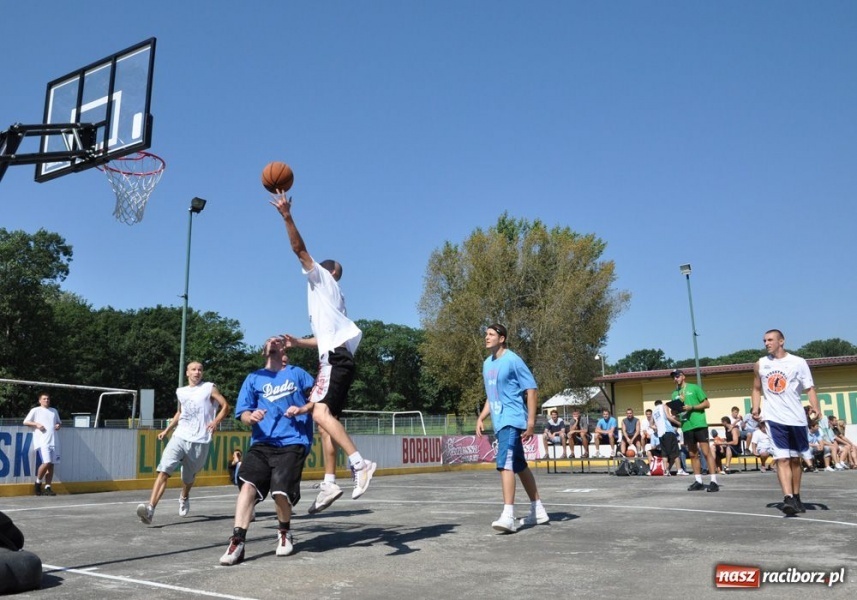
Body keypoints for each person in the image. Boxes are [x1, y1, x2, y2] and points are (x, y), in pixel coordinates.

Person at [272, 193, 376, 514]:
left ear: (324, 271)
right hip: (335, 356)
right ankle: (330, 481)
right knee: (324, 420)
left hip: (334, 360)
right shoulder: (332, 299)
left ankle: (360, 463)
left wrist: (287, 216)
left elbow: (299, 250)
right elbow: (323, 339)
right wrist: (299, 343)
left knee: (318, 413)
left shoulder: (320, 279)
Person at [220, 336, 315, 565]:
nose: (273, 342)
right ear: (264, 350)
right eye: (269, 341)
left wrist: (302, 409)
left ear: (284, 351)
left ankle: (284, 532)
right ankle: (237, 541)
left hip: (293, 441)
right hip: (262, 443)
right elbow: (242, 413)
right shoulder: (253, 378)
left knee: (280, 491)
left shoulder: (297, 373)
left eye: (277, 341)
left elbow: (320, 401)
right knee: (247, 486)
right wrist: (250, 417)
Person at [476, 323, 548, 533]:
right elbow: (492, 396)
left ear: (502, 338)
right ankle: (538, 510)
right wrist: (482, 416)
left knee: (505, 463)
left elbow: (531, 390)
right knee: (518, 465)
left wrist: (531, 422)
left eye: (491, 334)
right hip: (499, 422)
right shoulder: (486, 365)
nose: (487, 337)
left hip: (512, 419)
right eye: (486, 334)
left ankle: (508, 515)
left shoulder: (513, 360)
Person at [136, 362, 230, 524]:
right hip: (180, 436)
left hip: (200, 440)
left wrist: (215, 422)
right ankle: (150, 510)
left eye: (200, 370)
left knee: (188, 478)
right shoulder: (181, 391)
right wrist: (167, 430)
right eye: (193, 369)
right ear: (187, 373)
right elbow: (180, 412)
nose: (197, 372)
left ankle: (184, 496)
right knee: (163, 471)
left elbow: (226, 406)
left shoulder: (209, 387)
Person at [750, 329, 821, 515]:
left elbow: (810, 388)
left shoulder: (798, 362)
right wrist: (755, 407)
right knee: (782, 458)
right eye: (764, 340)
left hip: (796, 418)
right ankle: (788, 498)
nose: (766, 343)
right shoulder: (761, 364)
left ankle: (796, 495)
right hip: (774, 418)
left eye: (770, 340)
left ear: (782, 341)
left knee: (796, 460)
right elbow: (756, 389)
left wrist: (815, 407)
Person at [671, 369, 719, 492]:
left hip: (699, 424)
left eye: (677, 376)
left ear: (683, 376)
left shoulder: (694, 388)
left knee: (706, 452)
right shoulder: (674, 394)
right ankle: (698, 481)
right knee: (692, 454)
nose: (675, 378)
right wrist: (675, 411)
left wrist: (691, 407)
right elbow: (674, 413)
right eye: (673, 377)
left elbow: (707, 404)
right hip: (686, 426)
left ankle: (714, 481)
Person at [22, 393, 62, 496]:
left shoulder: (54, 411)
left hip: (54, 441)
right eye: (44, 399)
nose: (47, 400)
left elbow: (59, 423)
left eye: (48, 399)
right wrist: (36, 424)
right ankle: (38, 482)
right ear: (40, 401)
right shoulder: (35, 410)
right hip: (42, 442)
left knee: (51, 465)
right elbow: (26, 421)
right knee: (46, 462)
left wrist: (58, 425)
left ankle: (48, 487)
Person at [653, 400, 681, 475]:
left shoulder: (654, 411)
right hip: (668, 431)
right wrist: (679, 423)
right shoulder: (664, 406)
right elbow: (668, 417)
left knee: (665, 454)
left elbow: (653, 424)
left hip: (660, 434)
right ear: (661, 403)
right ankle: (679, 470)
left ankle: (666, 470)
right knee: (675, 452)